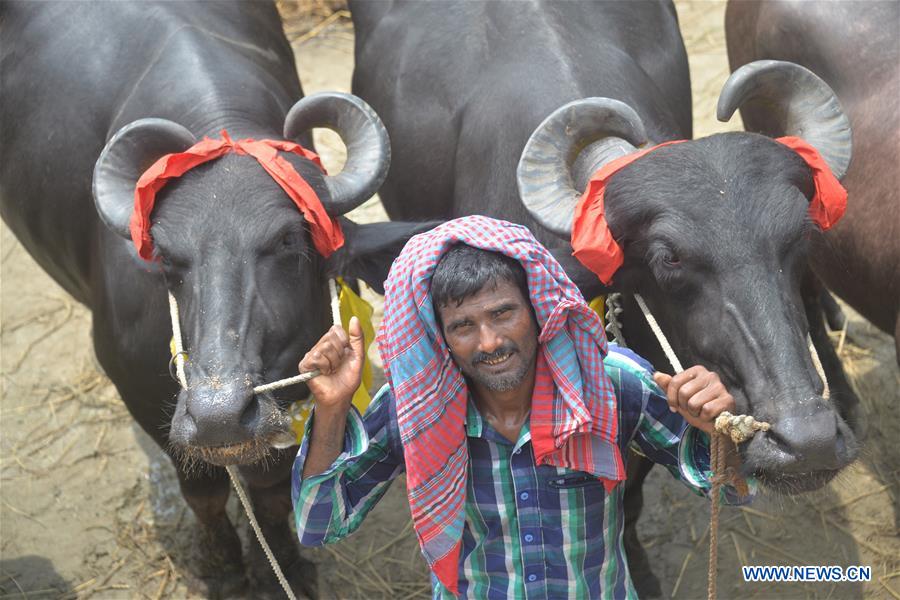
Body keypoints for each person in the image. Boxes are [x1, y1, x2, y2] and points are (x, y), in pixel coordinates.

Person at [291, 216, 753, 599]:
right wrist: (331, 410)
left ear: (538, 309)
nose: (490, 343)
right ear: (441, 338)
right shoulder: (414, 406)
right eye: (463, 326)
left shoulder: (610, 382)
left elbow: (731, 490)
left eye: (502, 314)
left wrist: (715, 431)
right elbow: (318, 524)